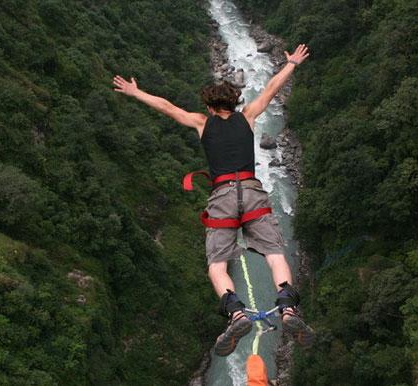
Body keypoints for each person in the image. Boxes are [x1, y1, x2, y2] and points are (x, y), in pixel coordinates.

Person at [113, 44, 314, 356]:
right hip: (252, 193)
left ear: (208, 106)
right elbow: (272, 88)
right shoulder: (248, 117)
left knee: (217, 266)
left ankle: (236, 313)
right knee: (275, 254)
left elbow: (167, 107)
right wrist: (291, 64)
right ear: (234, 103)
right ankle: (288, 308)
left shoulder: (201, 122)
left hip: (222, 198)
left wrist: (135, 92)